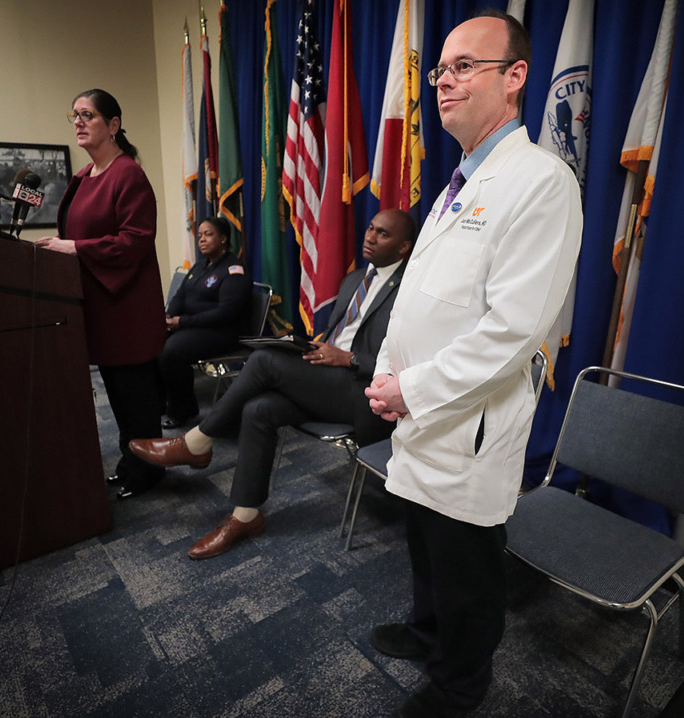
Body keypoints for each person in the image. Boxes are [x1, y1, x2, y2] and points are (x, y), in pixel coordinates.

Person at [363, 12, 583, 718]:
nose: (445, 81)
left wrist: (411, 388)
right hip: (421, 412)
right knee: (425, 543)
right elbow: (429, 299)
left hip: (469, 423)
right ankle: (429, 634)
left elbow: (512, 333)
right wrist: (392, 376)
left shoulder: (542, 182)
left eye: (465, 66)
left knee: (465, 565)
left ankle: (460, 686)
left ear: (516, 77)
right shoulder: (459, 177)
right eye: (440, 70)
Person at [128, 209, 416, 558]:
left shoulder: (412, 290)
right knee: (258, 408)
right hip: (327, 379)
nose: (369, 236)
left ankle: (196, 442)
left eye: (382, 234)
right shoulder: (355, 279)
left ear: (404, 247)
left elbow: (411, 362)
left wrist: (350, 359)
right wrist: (310, 347)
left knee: (263, 362)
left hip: (364, 393)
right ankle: (245, 516)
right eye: (370, 228)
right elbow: (339, 334)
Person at [37, 89, 167, 500]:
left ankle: (149, 472)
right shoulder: (82, 177)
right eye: (73, 115)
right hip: (98, 305)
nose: (77, 121)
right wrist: (63, 244)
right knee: (119, 397)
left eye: (87, 115)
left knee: (137, 400)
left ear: (112, 125)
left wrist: (74, 248)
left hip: (126, 307)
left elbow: (136, 241)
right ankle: (131, 463)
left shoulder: (127, 173)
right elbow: (77, 235)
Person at [160, 216, 252, 428]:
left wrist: (182, 322)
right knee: (154, 338)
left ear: (223, 238)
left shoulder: (234, 270)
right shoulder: (200, 266)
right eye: (200, 235)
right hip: (197, 327)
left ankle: (184, 411)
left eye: (208, 234)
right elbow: (180, 296)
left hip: (224, 331)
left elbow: (226, 313)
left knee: (172, 350)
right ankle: (161, 402)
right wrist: (168, 316)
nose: (202, 239)